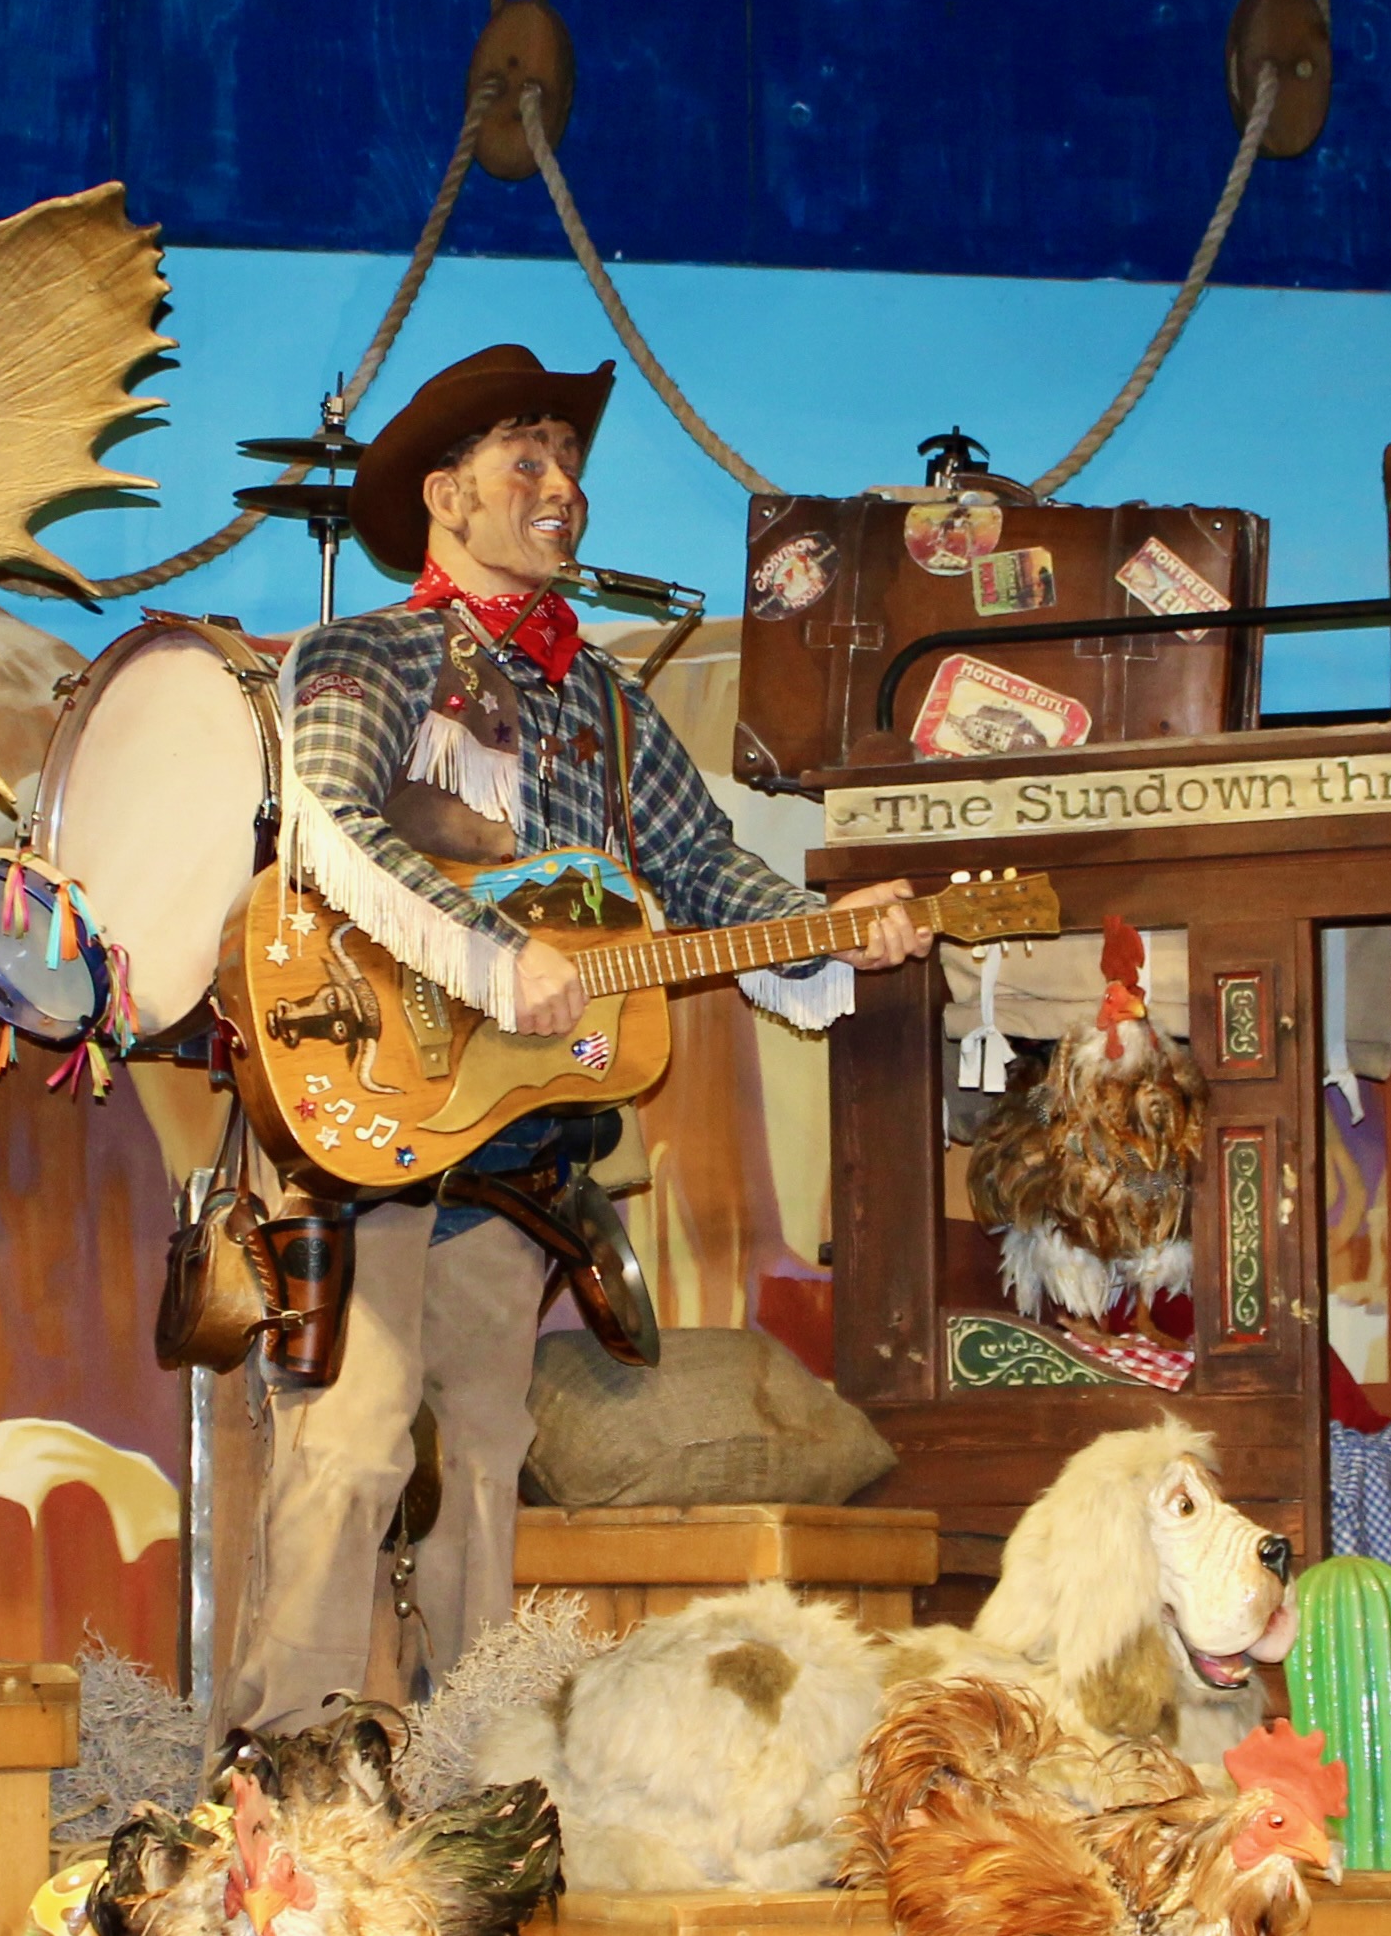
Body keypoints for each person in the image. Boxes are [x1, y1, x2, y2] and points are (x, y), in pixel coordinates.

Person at [243, 346, 928, 1724]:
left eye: (569, 461)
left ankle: (472, 1769)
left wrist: (825, 928)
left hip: (514, 1149)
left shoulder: (608, 704)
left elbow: (704, 869)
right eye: (527, 459)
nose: (562, 485)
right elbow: (328, 826)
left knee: (486, 1461)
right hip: (364, 1104)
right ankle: (283, 1761)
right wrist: (497, 956)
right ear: (444, 495)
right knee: (356, 1444)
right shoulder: (366, 657)